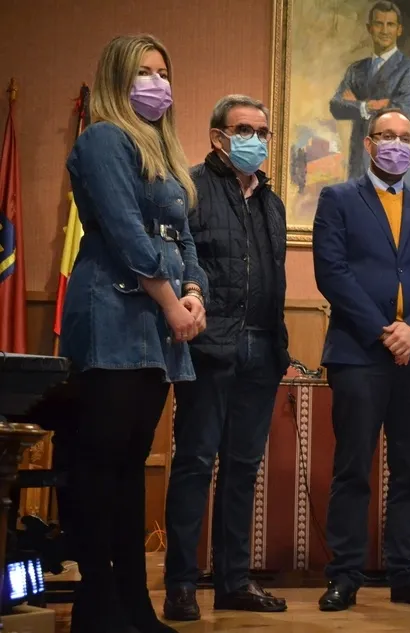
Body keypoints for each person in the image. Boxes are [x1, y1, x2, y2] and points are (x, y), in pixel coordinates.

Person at [59, 34, 207, 633]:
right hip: (113, 318)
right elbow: (124, 231)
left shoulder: (166, 152)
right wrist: (173, 302)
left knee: (128, 467)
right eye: (144, 71)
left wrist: (194, 293)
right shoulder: (102, 139)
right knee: (100, 466)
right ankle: (99, 604)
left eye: (163, 71)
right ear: (119, 80)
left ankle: (132, 604)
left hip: (159, 326)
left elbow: (185, 236)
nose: (157, 82)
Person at [312, 107, 410, 611]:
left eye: (405, 138)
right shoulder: (338, 199)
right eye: (386, 136)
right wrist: (382, 331)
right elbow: (331, 273)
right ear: (369, 145)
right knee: (352, 469)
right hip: (358, 354)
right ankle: (344, 575)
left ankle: (408, 575)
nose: (396, 144)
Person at [162, 95, 291, 621]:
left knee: (242, 470)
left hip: (263, 348)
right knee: (194, 464)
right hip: (210, 347)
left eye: (263, 132)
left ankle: (234, 580)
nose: (255, 141)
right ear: (218, 136)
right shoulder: (190, 187)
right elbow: (178, 260)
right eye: (244, 130)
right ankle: (180, 585)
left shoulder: (272, 202)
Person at [330, 0, 410, 187]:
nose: (384, 30)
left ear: (399, 29)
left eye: (390, 24)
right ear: (369, 28)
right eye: (378, 23)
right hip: (359, 166)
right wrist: (368, 106)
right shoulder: (356, 69)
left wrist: (356, 105)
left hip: (396, 171)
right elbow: (336, 106)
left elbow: (400, 113)